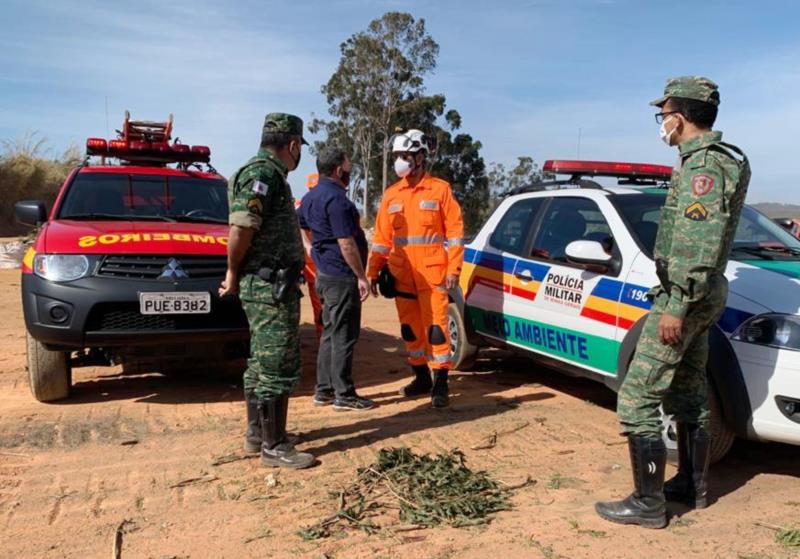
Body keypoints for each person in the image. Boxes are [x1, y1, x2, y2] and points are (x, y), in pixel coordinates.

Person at [595, 77, 750, 528]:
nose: (661, 123)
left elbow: (698, 243)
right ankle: (691, 485)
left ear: (678, 117)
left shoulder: (704, 166)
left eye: (663, 114)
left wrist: (676, 304)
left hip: (685, 296)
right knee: (688, 390)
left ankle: (647, 505)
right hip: (702, 293)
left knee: (638, 397)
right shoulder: (719, 160)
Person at [219, 112, 315, 469]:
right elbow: (242, 228)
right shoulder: (263, 174)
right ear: (292, 145)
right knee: (278, 361)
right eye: (298, 148)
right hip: (268, 285)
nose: (298, 154)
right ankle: (274, 446)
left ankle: (258, 433)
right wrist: (231, 270)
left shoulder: (264, 174)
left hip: (272, 283)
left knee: (262, 359)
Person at [366, 129, 464, 408]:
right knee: (410, 330)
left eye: (405, 155)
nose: (400, 161)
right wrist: (373, 271)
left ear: (420, 157)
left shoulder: (440, 189)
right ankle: (421, 377)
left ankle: (441, 383)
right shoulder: (391, 195)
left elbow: (455, 234)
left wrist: (454, 270)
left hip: (434, 273)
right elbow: (382, 239)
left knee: (436, 329)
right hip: (401, 274)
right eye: (397, 156)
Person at [299, 147, 374, 411]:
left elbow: (298, 224)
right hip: (341, 276)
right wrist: (361, 277)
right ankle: (344, 394)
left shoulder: (310, 197)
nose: (350, 172)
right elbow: (346, 243)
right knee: (344, 334)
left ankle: (324, 390)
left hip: (324, 274)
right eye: (348, 166)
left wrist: (310, 247)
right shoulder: (338, 201)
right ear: (337, 170)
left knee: (330, 332)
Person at [296, 173, 323, 339]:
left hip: (310, 262)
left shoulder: (300, 205)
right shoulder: (324, 204)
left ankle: (322, 336)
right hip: (310, 262)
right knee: (320, 303)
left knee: (319, 303)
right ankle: (323, 337)